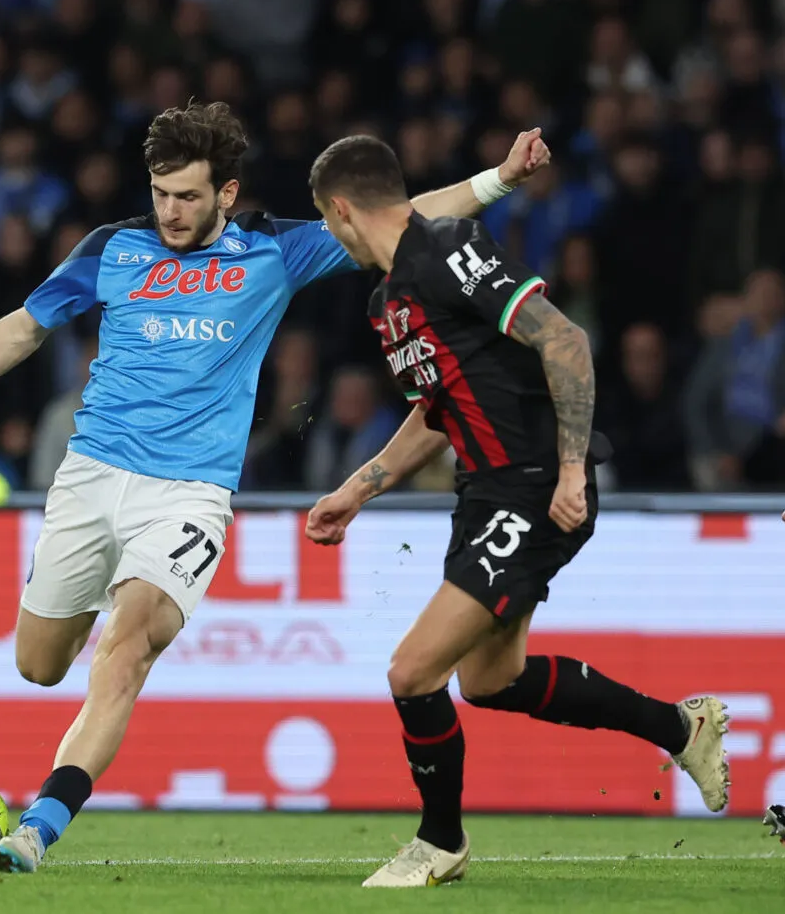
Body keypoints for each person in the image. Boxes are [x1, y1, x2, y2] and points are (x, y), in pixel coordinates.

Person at [0, 99, 553, 874]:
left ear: (227, 193)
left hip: (187, 494)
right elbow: (25, 326)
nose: (170, 211)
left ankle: (37, 829)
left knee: (126, 649)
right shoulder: (112, 248)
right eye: (161, 194)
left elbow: (400, 215)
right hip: (90, 477)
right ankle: (95, 644)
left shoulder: (274, 251)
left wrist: (499, 179)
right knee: (39, 664)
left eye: (189, 196)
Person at [304, 134, 729, 888]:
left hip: (533, 484)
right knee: (491, 681)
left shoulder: (449, 249)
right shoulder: (387, 301)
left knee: (412, 672)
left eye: (330, 225)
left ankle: (441, 843)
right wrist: (358, 488)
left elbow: (565, 340)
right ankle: (680, 727)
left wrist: (569, 468)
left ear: (340, 210)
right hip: (484, 493)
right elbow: (437, 414)